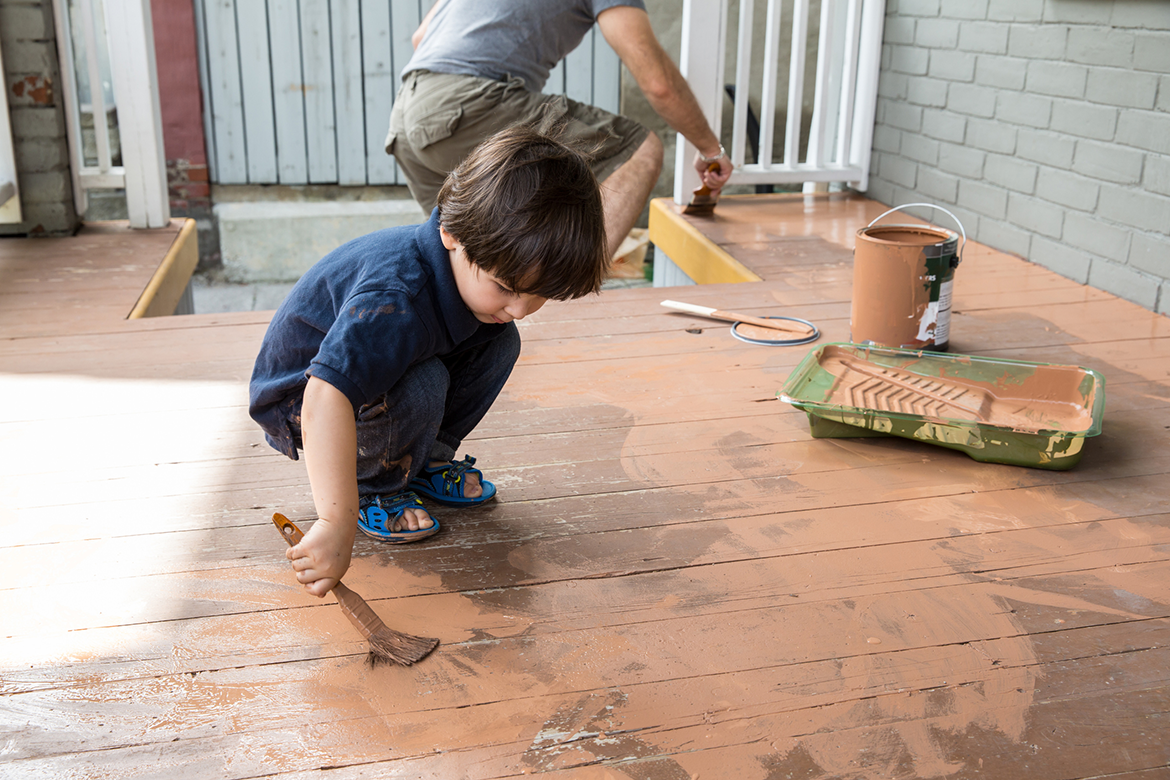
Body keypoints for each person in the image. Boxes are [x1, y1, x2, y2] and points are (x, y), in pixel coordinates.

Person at [249, 124, 608, 597]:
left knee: (500, 341)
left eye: (539, 295)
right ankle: (376, 489)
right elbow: (324, 395)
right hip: (303, 401)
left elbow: (499, 316)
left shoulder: (473, 287)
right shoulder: (396, 299)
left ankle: (418, 466)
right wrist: (335, 522)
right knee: (423, 382)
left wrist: (500, 301)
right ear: (452, 235)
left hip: (357, 388)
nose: (520, 308)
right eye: (506, 287)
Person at [386, 0, 733, 260]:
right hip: (469, 102)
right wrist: (711, 150)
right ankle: (573, 287)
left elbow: (421, 37)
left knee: (469, 260)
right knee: (640, 149)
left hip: (407, 113)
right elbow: (659, 85)